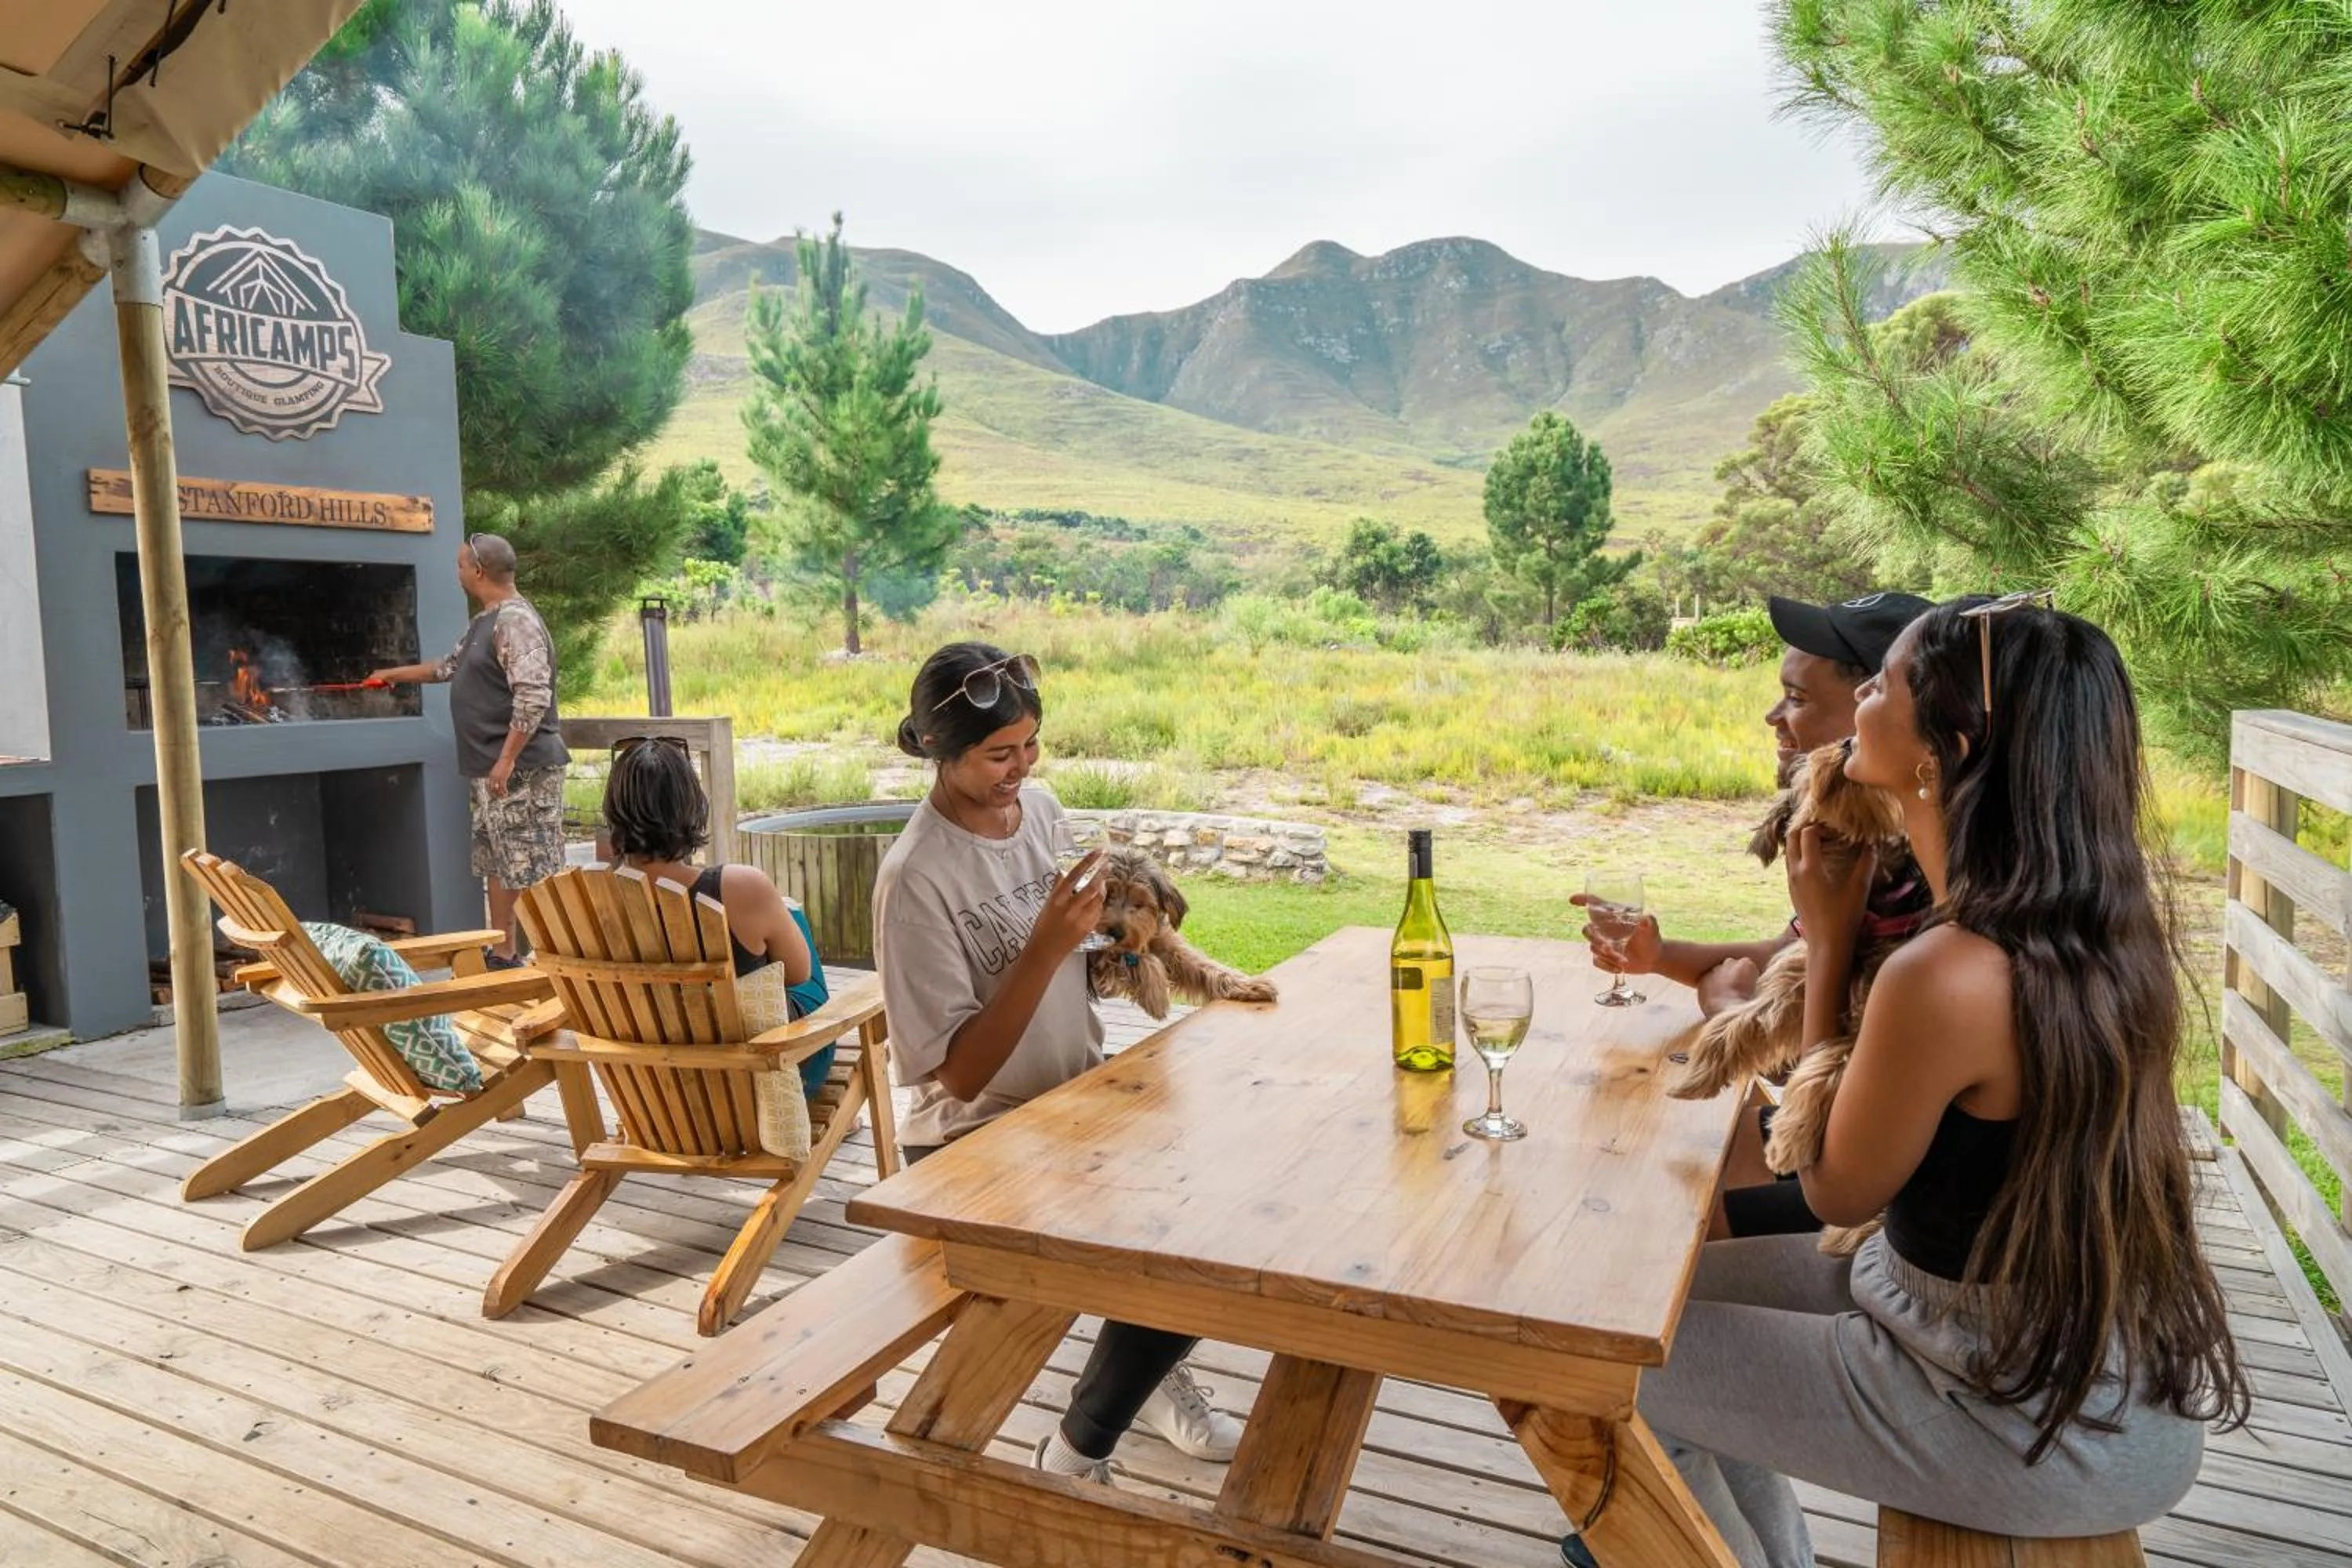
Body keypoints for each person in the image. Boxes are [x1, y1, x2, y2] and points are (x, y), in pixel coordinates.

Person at [1609, 595, 2249, 1568]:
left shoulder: (1947, 969)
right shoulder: (2088, 931)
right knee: (1636, 1302)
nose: (1858, 695)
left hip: (2024, 1420)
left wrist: (1825, 941)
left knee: (1598, 1358)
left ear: (1940, 744)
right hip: (2061, 1353)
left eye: (1880, 681)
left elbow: (1830, 1183)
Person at [872, 641, 1244, 1483]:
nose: (1021, 766)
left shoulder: (1040, 812)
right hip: (972, 1139)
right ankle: (1076, 1451)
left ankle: (1138, 1373)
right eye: (998, 753)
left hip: (1074, 1106)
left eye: (1030, 744)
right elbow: (957, 1076)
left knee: (1232, 1198)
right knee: (1181, 1233)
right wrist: (1044, 945)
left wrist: (1149, 952)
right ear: (937, 746)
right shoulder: (915, 877)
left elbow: (1096, 939)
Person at [1579, 590, 1933, 1243]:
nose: (1774, 717)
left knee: (1656, 1225)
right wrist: (1659, 956)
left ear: (1882, 713)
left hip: (1893, 1210)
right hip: (1864, 1167)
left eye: (1797, 699)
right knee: (1686, 1157)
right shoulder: (1875, 843)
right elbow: (1786, 956)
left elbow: (1845, 1109)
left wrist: (1732, 1014)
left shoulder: (1932, 895)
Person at [372, 532, 568, 968]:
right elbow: (448, 668)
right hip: (491, 772)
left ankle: (559, 961)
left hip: (523, 772)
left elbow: (534, 694)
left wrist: (506, 759)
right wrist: (389, 674)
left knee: (534, 866)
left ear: (478, 571)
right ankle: (504, 952)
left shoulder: (516, 621)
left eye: (461, 565)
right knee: (499, 862)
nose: (457, 572)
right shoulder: (487, 620)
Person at [599, 735, 833, 1096]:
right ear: (691, 807)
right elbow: (798, 975)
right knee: (788, 915)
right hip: (759, 1084)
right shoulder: (741, 888)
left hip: (659, 1091)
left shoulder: (590, 904)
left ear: (614, 814)